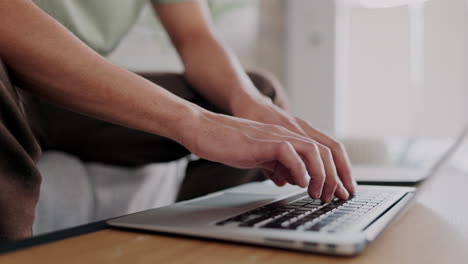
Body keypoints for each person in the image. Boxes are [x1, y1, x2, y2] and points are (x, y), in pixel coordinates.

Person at [0, 0, 356, 241]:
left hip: (71, 97)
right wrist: (195, 122)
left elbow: (195, 36)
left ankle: (194, 250)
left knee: (256, 93)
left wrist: (252, 103)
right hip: (10, 75)